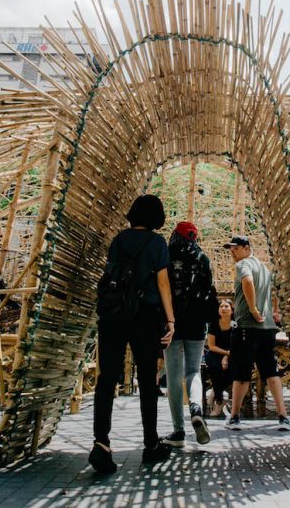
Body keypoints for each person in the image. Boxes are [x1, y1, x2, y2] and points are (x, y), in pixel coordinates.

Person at [89, 195, 177, 474]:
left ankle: (101, 443)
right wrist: (171, 319)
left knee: (107, 378)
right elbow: (163, 282)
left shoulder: (118, 240)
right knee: (147, 379)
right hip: (145, 316)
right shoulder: (157, 243)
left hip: (114, 315)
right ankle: (150, 443)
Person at [222, 235, 290, 431]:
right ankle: (283, 416)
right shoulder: (264, 268)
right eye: (231, 249)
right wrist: (273, 312)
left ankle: (235, 417)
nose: (232, 252)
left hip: (247, 326)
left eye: (235, 248)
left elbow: (246, 281)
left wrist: (253, 309)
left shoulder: (243, 265)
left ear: (246, 248)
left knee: (242, 374)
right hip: (267, 329)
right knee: (270, 371)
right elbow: (274, 290)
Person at [161, 221, 216, 447]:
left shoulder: (166, 255)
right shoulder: (203, 258)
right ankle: (196, 408)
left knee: (173, 376)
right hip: (196, 324)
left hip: (170, 322)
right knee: (193, 371)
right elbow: (208, 289)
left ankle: (178, 432)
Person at [205, 298, 234, 419]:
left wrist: (227, 356)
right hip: (215, 352)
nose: (223, 309)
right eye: (221, 306)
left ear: (232, 310)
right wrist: (225, 353)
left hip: (232, 353)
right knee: (215, 367)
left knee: (233, 369)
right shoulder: (214, 323)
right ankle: (219, 400)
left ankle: (216, 392)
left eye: (226, 306)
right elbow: (211, 346)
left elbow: (237, 344)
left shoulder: (235, 324)